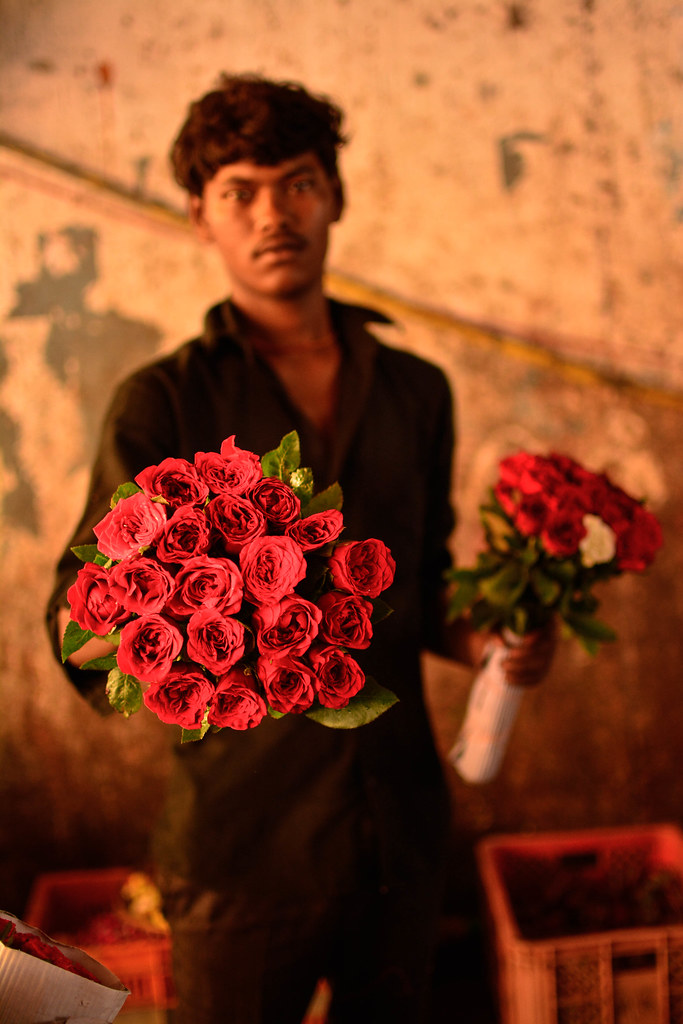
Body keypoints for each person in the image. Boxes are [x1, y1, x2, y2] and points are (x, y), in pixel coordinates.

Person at [47, 74, 553, 1024]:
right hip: (242, 849)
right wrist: (171, 618)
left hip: (397, 833)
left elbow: (425, 577)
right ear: (200, 215)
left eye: (297, 182)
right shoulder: (163, 404)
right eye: (239, 190)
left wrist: (493, 647)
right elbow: (75, 624)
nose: (272, 212)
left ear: (334, 196)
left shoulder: (416, 390)